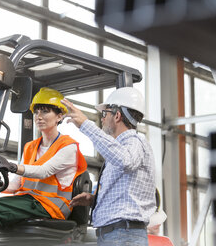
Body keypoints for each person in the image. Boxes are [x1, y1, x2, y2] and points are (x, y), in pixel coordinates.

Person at [61, 87, 156, 246]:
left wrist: (86, 125)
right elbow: (124, 194)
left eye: (104, 114)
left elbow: (126, 161)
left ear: (117, 115)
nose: (102, 119)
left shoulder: (134, 142)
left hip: (123, 235)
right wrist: (94, 200)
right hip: (117, 235)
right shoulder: (120, 149)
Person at [0, 87, 87, 228]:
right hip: (29, 202)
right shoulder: (30, 147)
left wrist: (12, 166)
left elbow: (44, 171)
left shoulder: (68, 147)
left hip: (51, 206)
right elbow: (16, 185)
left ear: (59, 116)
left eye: (45, 111)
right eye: (36, 112)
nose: (39, 116)